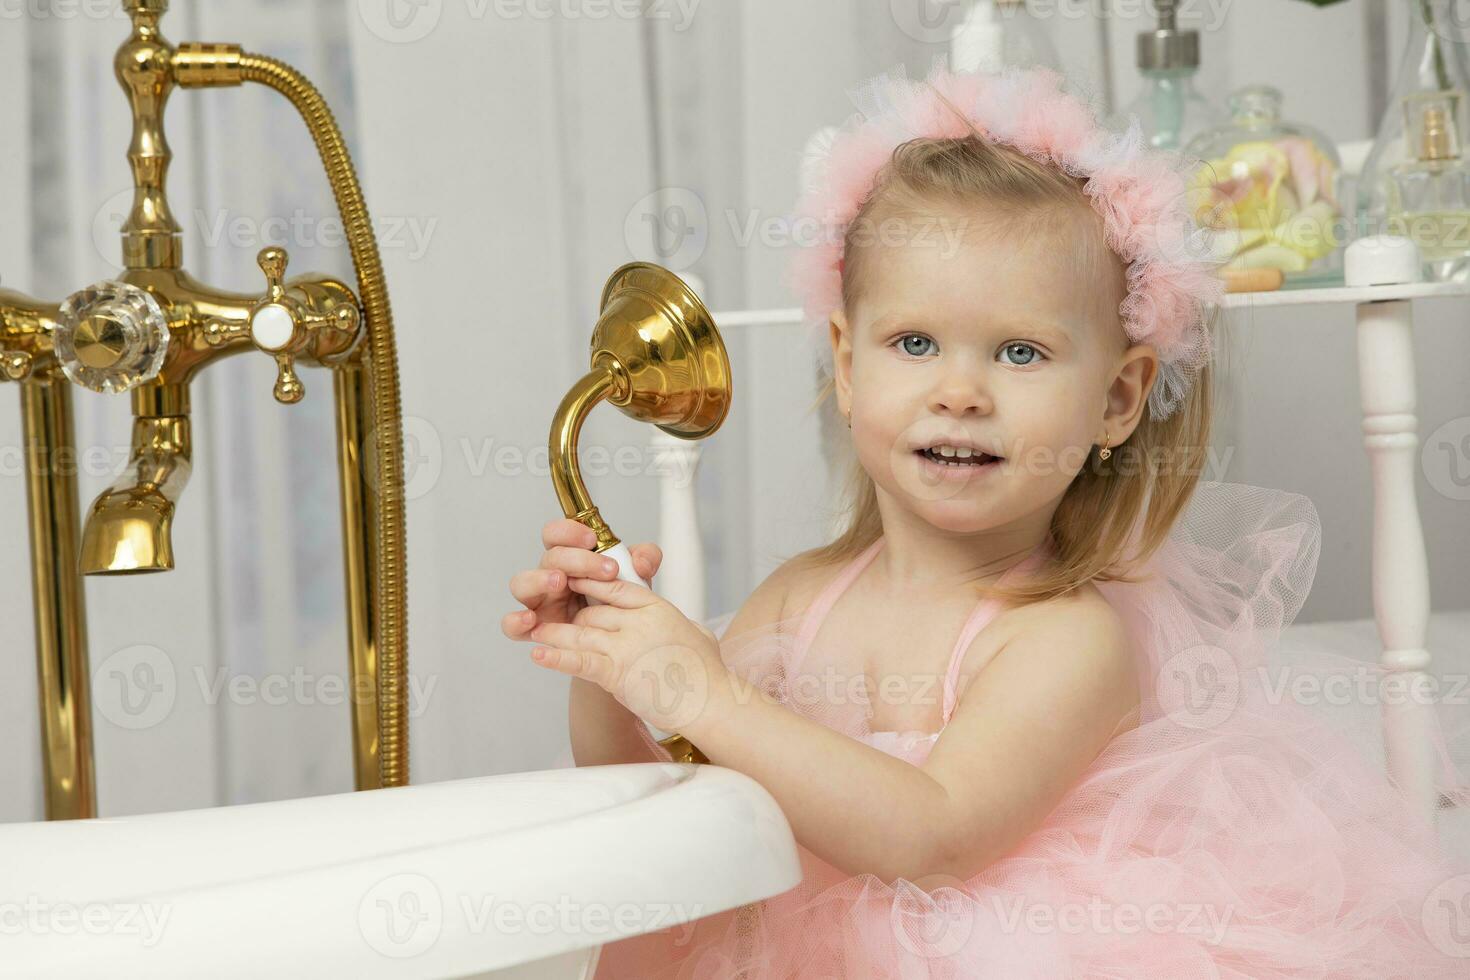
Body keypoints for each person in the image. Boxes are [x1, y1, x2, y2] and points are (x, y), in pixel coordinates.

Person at [504, 63, 1470, 977]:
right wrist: (614, 665)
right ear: (846, 365)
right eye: (914, 341)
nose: (959, 391)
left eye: (1019, 353)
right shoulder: (798, 594)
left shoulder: (1066, 637)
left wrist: (704, 689)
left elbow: (932, 832)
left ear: (1118, 399)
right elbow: (676, 780)